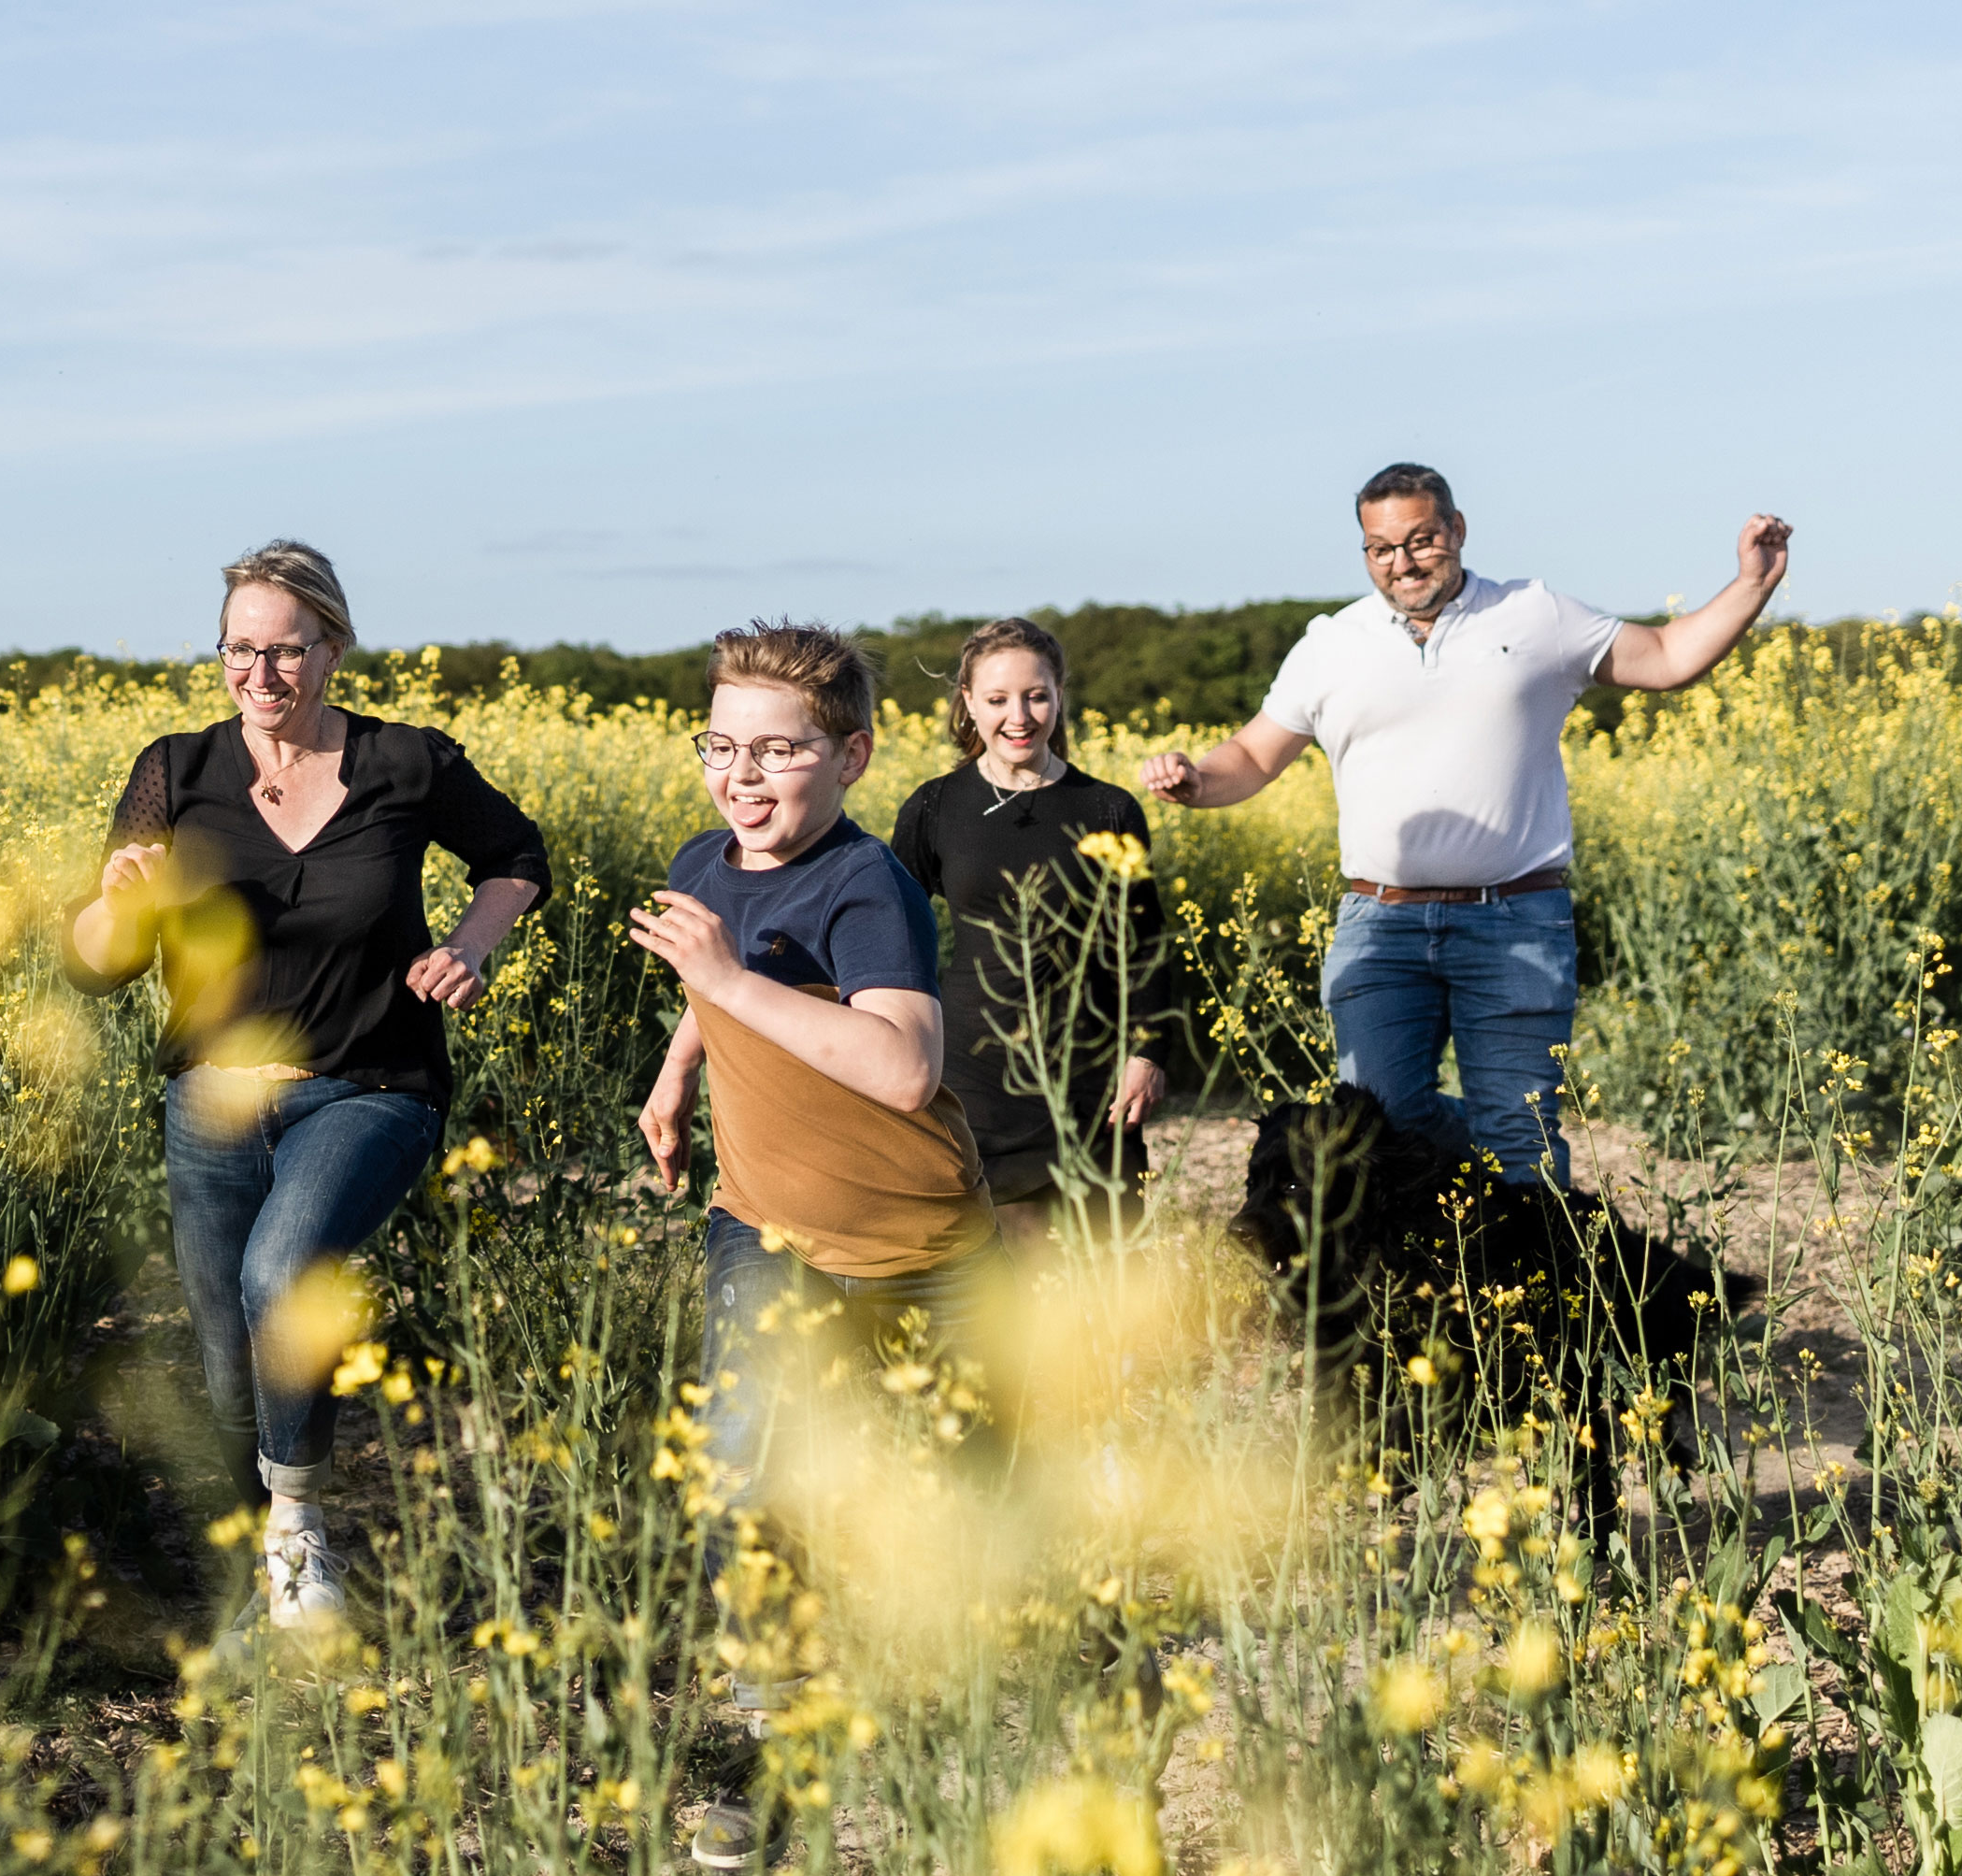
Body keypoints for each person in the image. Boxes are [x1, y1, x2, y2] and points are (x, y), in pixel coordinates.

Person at [63, 539, 550, 1632]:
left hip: (369, 1085)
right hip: (211, 1101)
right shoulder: (176, 771)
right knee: (227, 1362)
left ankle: (300, 1533)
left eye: (286, 649)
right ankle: (260, 1586)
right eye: (239, 649)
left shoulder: (405, 762)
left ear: (333, 648)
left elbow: (518, 856)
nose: (261, 673)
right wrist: (118, 903)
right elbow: (95, 966)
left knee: (282, 1275)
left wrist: (470, 944)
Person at [1135, 464, 1790, 1189]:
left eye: (1421, 540)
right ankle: (1477, 1223)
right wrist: (1197, 780)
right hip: (1379, 928)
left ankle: (1540, 1253)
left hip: (1515, 921)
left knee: (1517, 1130)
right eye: (1381, 549)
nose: (1403, 562)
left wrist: (1753, 582)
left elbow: (1667, 658)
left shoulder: (1536, 616)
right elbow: (1255, 756)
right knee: (1383, 1127)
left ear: (1457, 530)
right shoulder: (1331, 643)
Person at [627, 623, 987, 1514]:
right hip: (764, 1222)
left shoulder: (866, 885)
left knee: (983, 1485)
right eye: (721, 745)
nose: (741, 775)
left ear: (851, 757)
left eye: (777, 750)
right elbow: (721, 989)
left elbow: (905, 1067)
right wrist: (677, 1070)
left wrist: (726, 979)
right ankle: (754, 1615)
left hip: (916, 1242)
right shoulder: (699, 865)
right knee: (743, 1458)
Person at [887, 618, 1173, 1243]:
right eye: (997, 699)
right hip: (972, 1075)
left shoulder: (1107, 808)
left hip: (1089, 1074)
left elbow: (1145, 947)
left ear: (1060, 695)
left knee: (1106, 1266)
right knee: (995, 1271)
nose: (1018, 717)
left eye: (1036, 696)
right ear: (968, 702)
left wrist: (1148, 1052)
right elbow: (888, 936)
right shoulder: (936, 807)